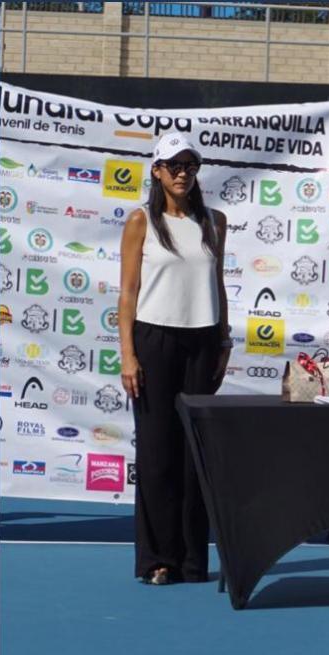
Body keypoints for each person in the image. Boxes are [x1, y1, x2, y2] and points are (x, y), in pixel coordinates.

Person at [119, 132, 229, 585]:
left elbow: (217, 284)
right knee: (157, 451)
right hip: (154, 341)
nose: (183, 173)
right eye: (174, 165)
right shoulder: (141, 221)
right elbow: (128, 292)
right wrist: (128, 355)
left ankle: (191, 559)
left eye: (190, 165)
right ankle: (158, 559)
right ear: (157, 171)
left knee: (194, 454)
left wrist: (224, 340)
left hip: (203, 342)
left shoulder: (215, 221)